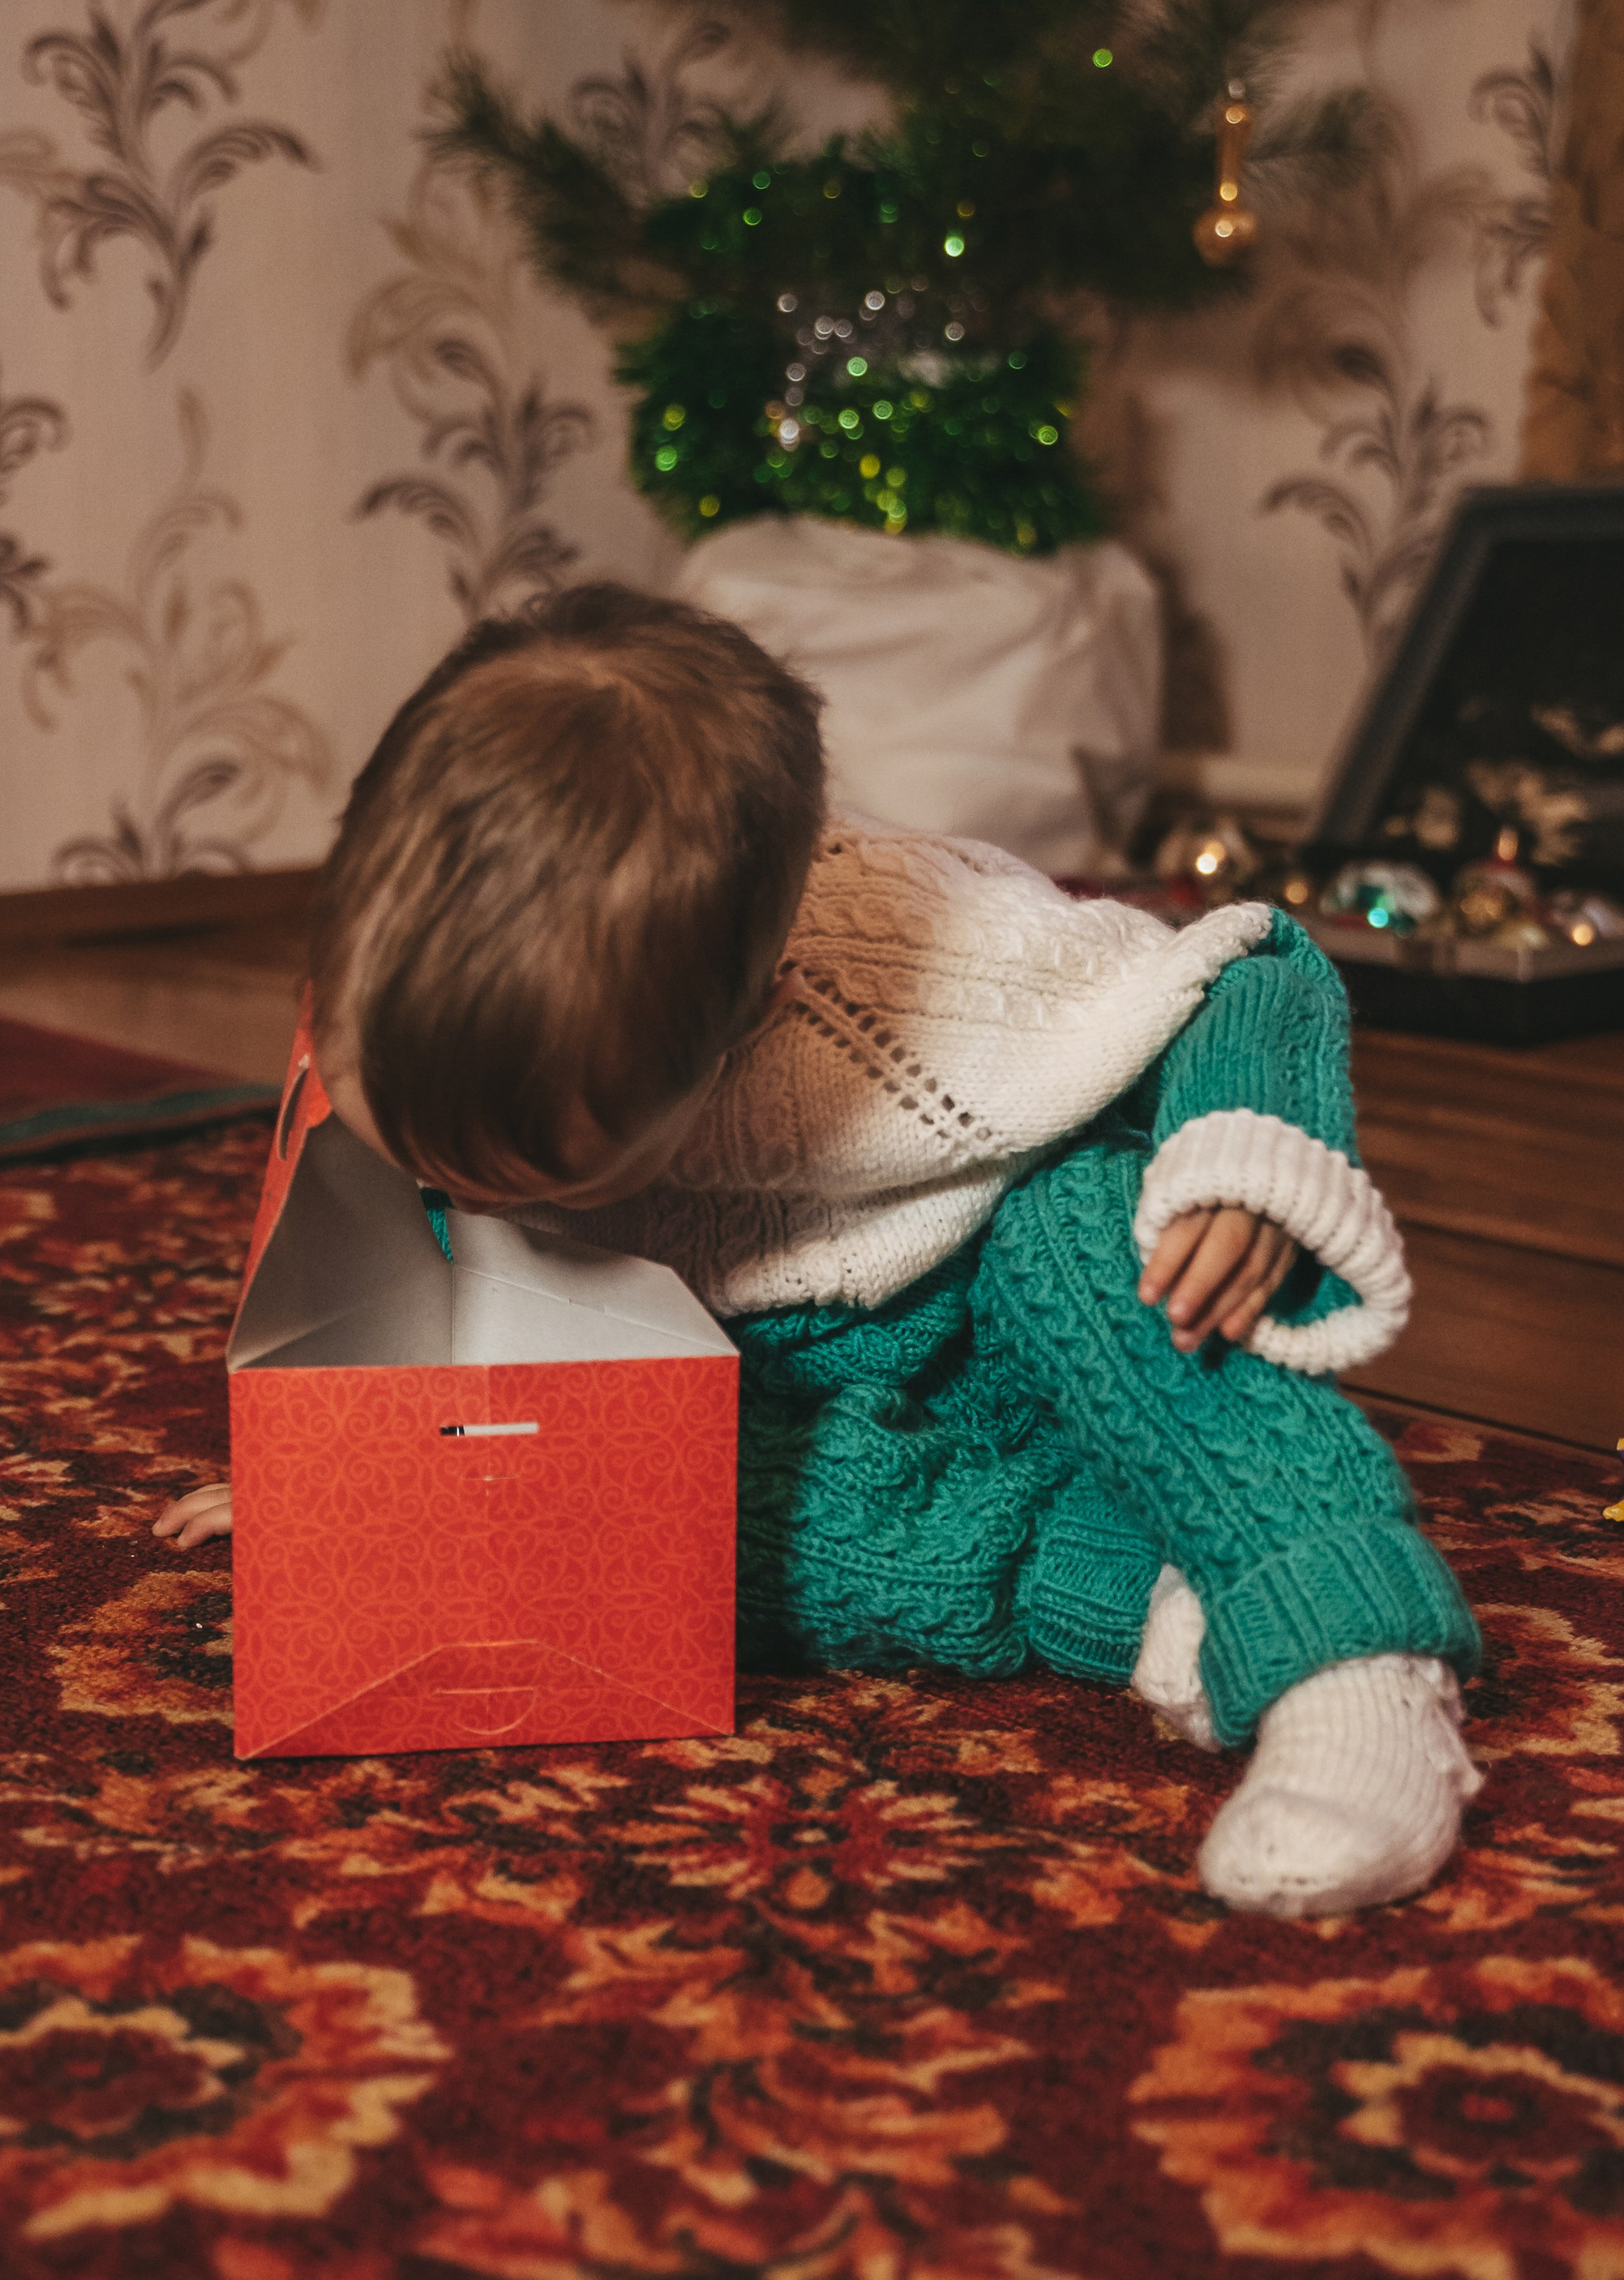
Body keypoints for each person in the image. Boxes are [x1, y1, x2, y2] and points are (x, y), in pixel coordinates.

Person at [157, 581, 1481, 1917]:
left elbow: (1249, 968)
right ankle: (1146, 1589)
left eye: (524, 1171)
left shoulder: (922, 952)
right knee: (631, 1519)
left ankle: (1348, 1644)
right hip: (778, 1388)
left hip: (1033, 1341)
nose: (446, 1184)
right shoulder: (418, 983)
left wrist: (1239, 1162)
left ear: (739, 1031)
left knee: (1088, 1234)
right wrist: (368, 1468)